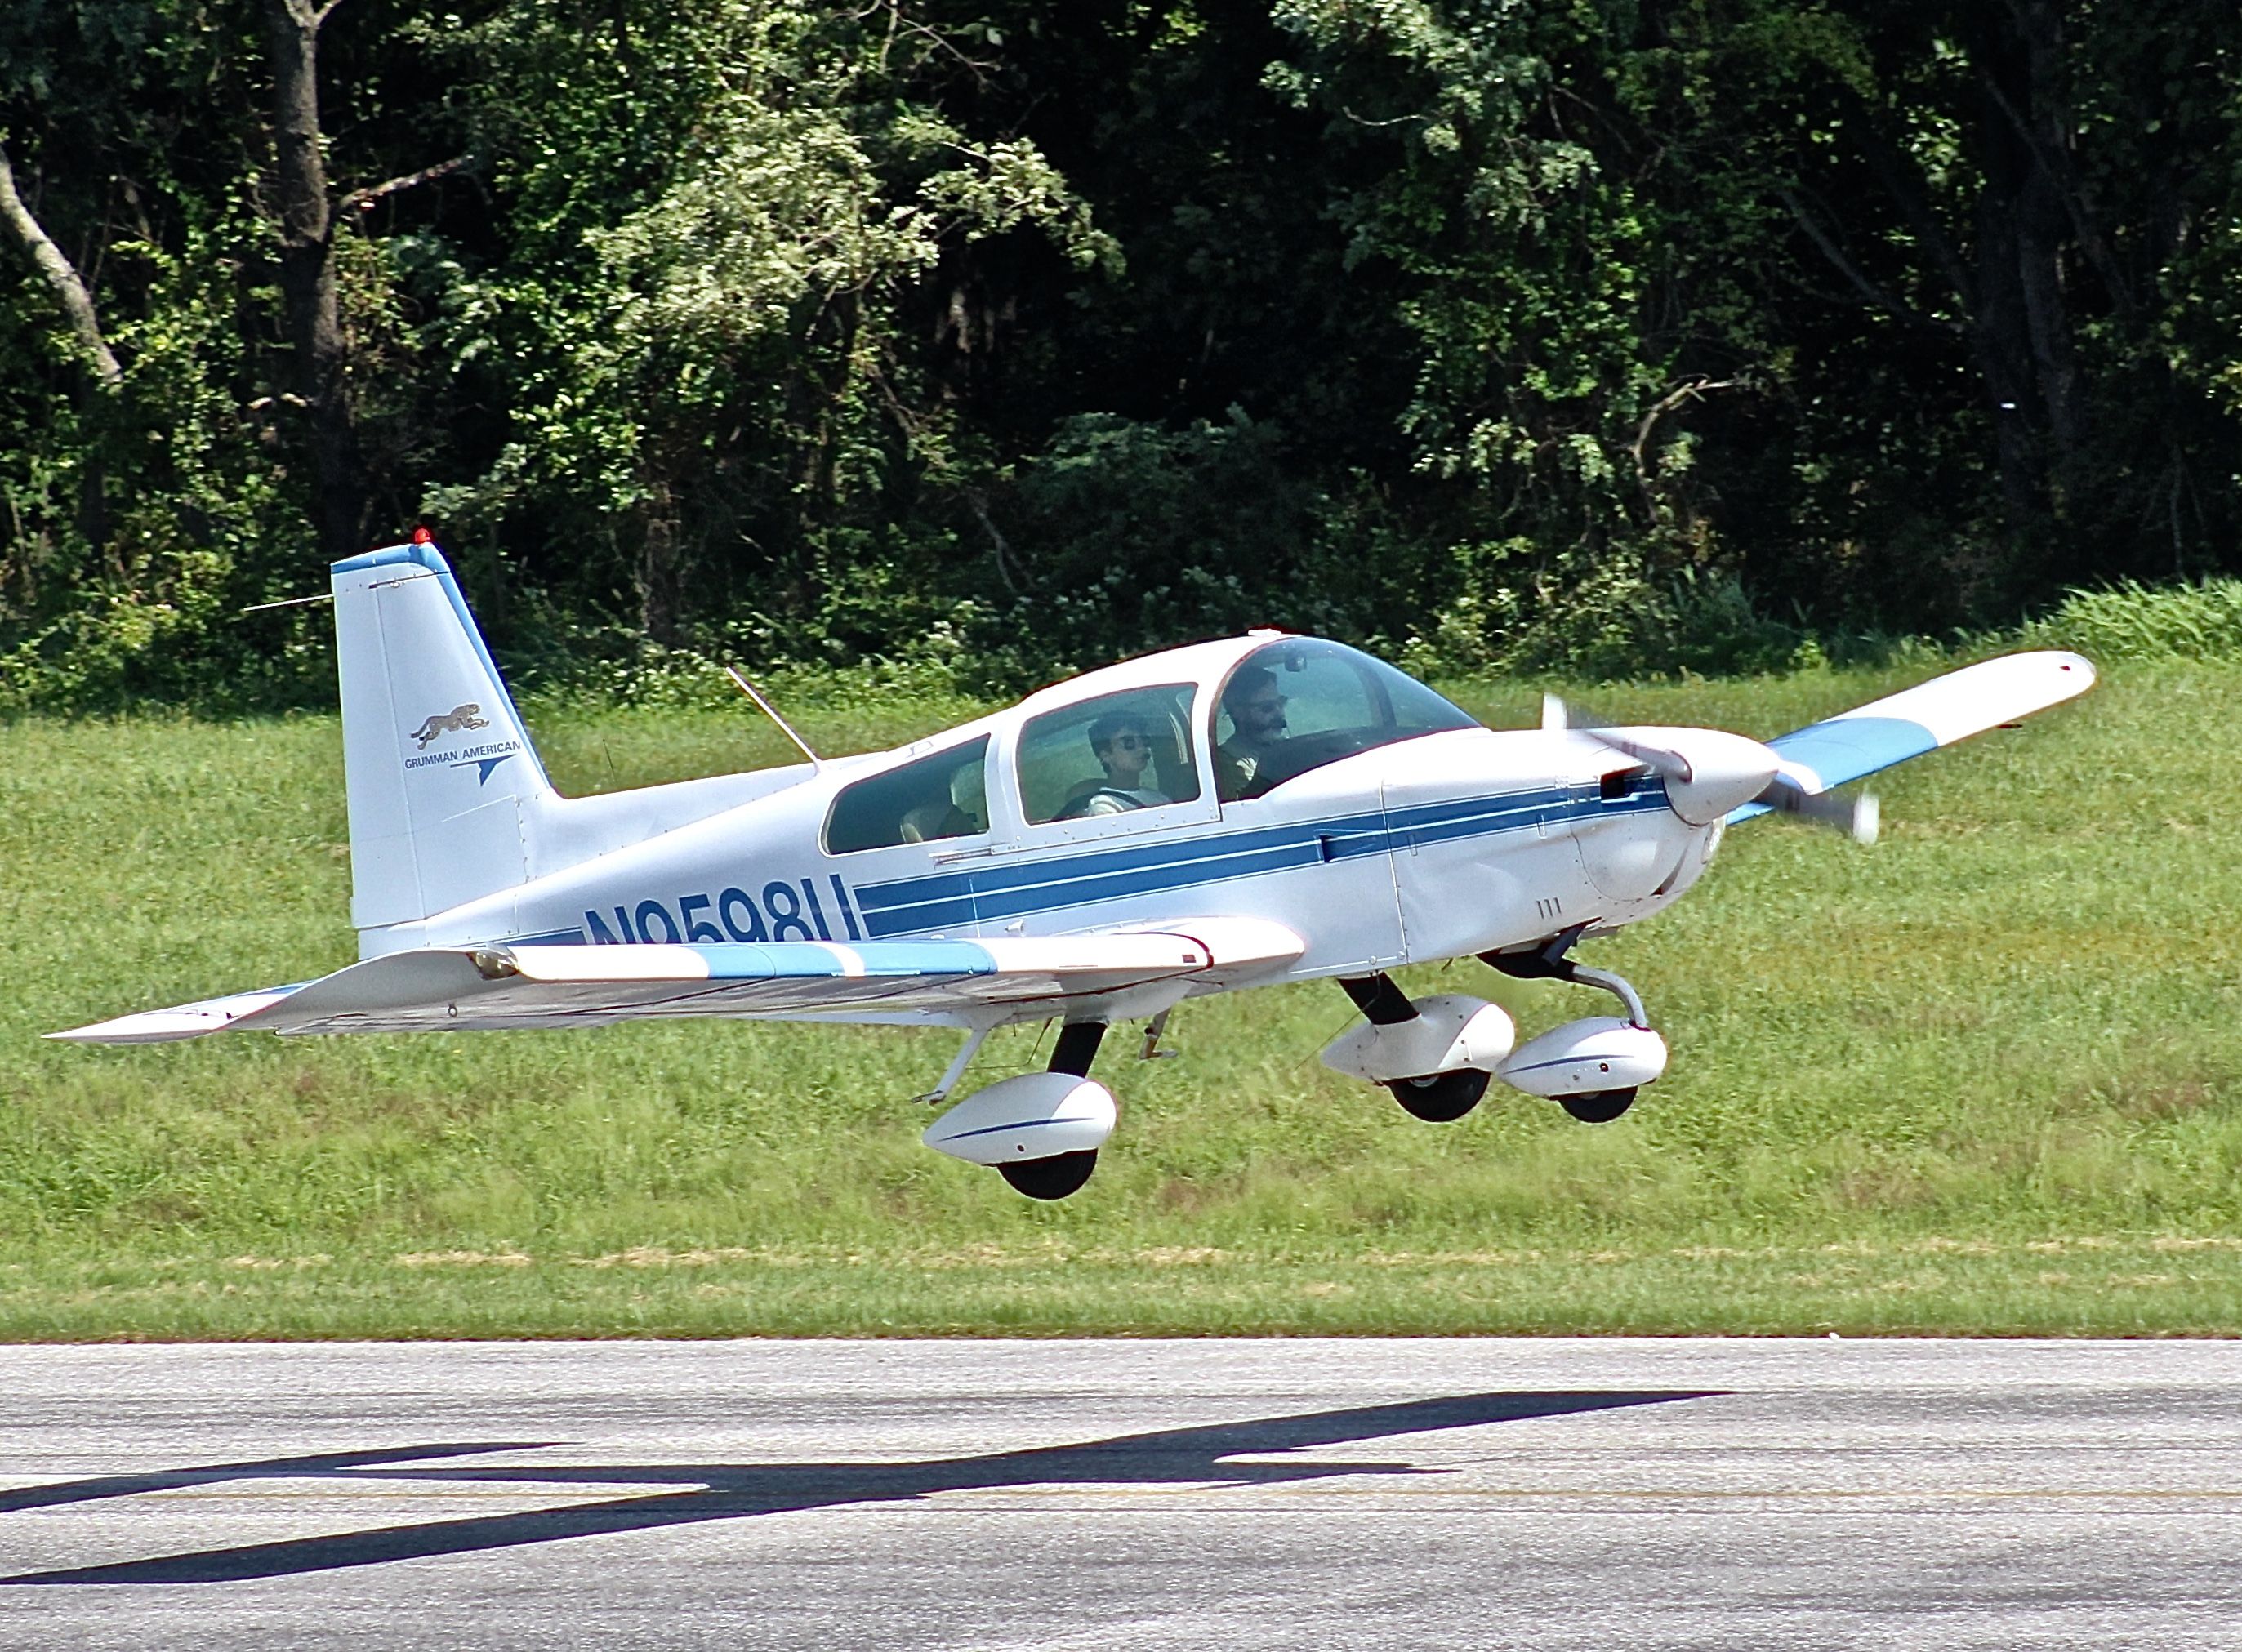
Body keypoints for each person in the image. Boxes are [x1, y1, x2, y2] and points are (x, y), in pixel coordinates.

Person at [1057, 714, 1172, 817]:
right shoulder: (1104, 806)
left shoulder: (1159, 798)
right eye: (1128, 742)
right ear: (1105, 756)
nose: (1141, 748)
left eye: (1144, 740)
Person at [1215, 665, 1288, 799]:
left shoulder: (1290, 748)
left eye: (1281, 702)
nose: (1279, 713)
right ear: (1239, 713)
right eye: (1267, 707)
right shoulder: (1226, 763)